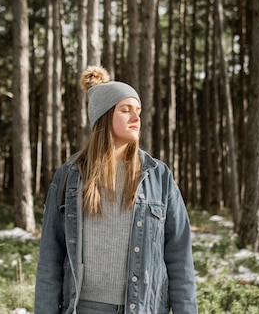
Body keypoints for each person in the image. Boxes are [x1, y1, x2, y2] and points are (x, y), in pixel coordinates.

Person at [34, 66, 198, 314]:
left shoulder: (158, 176)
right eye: (125, 110)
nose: (136, 118)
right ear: (104, 116)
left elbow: (180, 260)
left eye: (138, 111)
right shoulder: (70, 176)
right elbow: (50, 259)